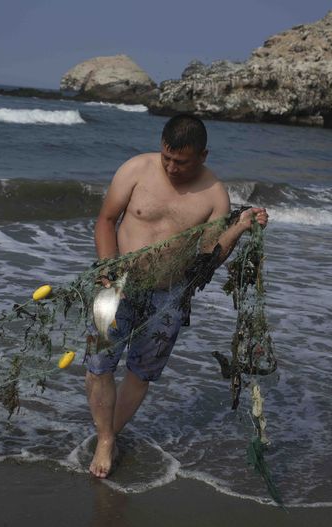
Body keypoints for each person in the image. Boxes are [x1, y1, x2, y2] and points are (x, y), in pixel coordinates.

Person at [85, 114, 269, 478]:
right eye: (167, 156)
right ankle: (106, 437)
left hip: (168, 297)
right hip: (117, 284)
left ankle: (109, 437)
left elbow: (207, 260)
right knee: (98, 367)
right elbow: (106, 220)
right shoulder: (136, 169)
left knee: (141, 373)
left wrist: (240, 227)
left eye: (181, 161)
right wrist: (106, 267)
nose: (171, 167)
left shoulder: (214, 195)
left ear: (202, 155)